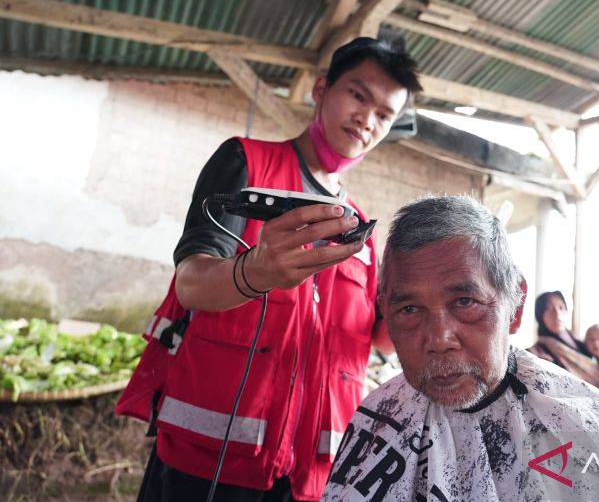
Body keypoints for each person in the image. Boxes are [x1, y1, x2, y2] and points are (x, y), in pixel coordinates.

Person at [115, 37, 422, 501]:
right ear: (320, 89)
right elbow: (192, 282)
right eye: (358, 95)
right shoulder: (246, 164)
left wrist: (427, 299)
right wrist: (255, 272)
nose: (367, 119)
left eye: (384, 115)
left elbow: (374, 338)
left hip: (307, 476)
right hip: (210, 462)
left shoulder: (359, 229)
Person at [322, 195, 599, 501]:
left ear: (515, 306)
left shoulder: (591, 435)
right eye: (409, 308)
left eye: (464, 302)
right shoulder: (377, 419)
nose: (439, 339)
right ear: (385, 312)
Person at [528, 291, 599, 388]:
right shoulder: (536, 354)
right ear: (540, 315)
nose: (557, 313)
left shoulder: (584, 345)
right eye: (549, 308)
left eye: (561, 307)